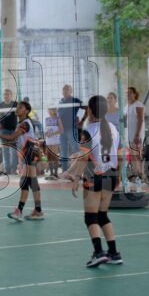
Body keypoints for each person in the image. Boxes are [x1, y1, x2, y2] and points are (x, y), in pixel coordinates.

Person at [68, 95, 123, 267]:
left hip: (94, 175)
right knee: (102, 215)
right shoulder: (113, 128)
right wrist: (119, 176)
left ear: (90, 110)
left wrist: (76, 177)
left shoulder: (88, 131)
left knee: (90, 217)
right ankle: (114, 253)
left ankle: (99, 252)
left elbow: (84, 158)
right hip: (111, 174)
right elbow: (119, 156)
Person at [0, 101, 45, 221]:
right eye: (17, 106)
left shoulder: (25, 124)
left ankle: (20, 211)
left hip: (30, 153)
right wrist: (5, 143)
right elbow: (16, 141)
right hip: (28, 153)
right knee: (31, 182)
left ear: (27, 111)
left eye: (21, 107)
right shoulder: (22, 124)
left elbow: (12, 136)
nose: (17, 108)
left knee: (25, 182)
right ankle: (38, 211)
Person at [58, 84, 83, 173]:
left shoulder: (75, 100)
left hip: (71, 129)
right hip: (62, 130)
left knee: (75, 149)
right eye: (63, 89)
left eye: (67, 89)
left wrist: (82, 121)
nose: (65, 91)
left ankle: (78, 171)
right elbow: (58, 116)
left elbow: (86, 108)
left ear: (71, 91)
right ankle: (65, 171)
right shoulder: (61, 101)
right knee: (63, 151)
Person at [0, 89, 18, 174]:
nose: (6, 96)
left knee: (14, 151)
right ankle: (7, 169)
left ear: (11, 95)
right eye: (4, 94)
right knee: (5, 150)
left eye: (7, 94)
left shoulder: (15, 104)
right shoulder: (0, 105)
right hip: (3, 131)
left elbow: (23, 114)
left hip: (13, 131)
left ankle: (14, 169)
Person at [126, 87, 146, 180]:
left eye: (130, 93)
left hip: (136, 135)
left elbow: (140, 120)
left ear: (135, 94)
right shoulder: (127, 106)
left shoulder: (138, 105)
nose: (128, 94)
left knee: (138, 156)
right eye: (127, 93)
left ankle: (141, 174)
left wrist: (137, 135)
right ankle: (136, 173)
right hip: (129, 135)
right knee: (133, 156)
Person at [43, 107, 63, 180]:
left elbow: (61, 130)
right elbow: (46, 129)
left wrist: (52, 134)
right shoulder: (46, 119)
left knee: (54, 156)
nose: (49, 111)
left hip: (55, 140)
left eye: (50, 109)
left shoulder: (57, 119)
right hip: (48, 140)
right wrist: (46, 134)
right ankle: (51, 173)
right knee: (49, 156)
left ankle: (55, 173)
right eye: (48, 109)